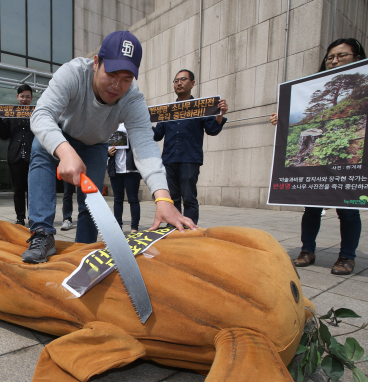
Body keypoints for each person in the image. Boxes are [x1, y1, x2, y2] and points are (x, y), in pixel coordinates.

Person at [23, 30, 196, 264]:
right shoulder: (72, 74)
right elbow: (41, 115)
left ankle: (84, 251)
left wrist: (163, 198)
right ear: (96, 63)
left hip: (95, 145)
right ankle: (42, 233)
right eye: (112, 74)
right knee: (40, 149)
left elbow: (145, 144)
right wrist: (65, 151)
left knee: (91, 203)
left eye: (127, 79)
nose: (116, 86)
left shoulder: (132, 100)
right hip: (61, 135)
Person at [270, 38, 368, 275]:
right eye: (330, 57)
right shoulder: (314, 86)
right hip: (318, 163)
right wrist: (281, 119)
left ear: (357, 58)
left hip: (346, 166)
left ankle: (347, 256)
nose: (334, 61)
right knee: (311, 208)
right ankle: (307, 250)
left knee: (347, 209)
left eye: (341, 56)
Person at [152, 70, 228, 225]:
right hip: (169, 159)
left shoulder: (201, 107)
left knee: (189, 198)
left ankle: (190, 230)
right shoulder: (168, 111)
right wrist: (143, 122)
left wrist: (220, 114)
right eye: (176, 80)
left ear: (192, 83)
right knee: (171, 198)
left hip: (189, 159)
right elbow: (157, 135)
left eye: (183, 79)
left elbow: (212, 129)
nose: (179, 83)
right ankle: (173, 227)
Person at [0, 84, 35, 226]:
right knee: (18, 190)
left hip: (32, 156)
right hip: (15, 156)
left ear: (31, 98)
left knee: (32, 190)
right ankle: (20, 217)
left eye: (27, 96)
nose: (24, 99)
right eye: (22, 96)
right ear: (17, 97)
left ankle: (33, 217)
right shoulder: (10, 114)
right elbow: (4, 135)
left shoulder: (36, 113)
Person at [108, 124, 142, 233]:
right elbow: (102, 145)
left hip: (131, 170)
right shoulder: (111, 125)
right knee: (118, 199)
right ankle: (118, 227)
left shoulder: (132, 124)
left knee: (133, 199)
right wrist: (107, 152)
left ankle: (134, 228)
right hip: (116, 170)